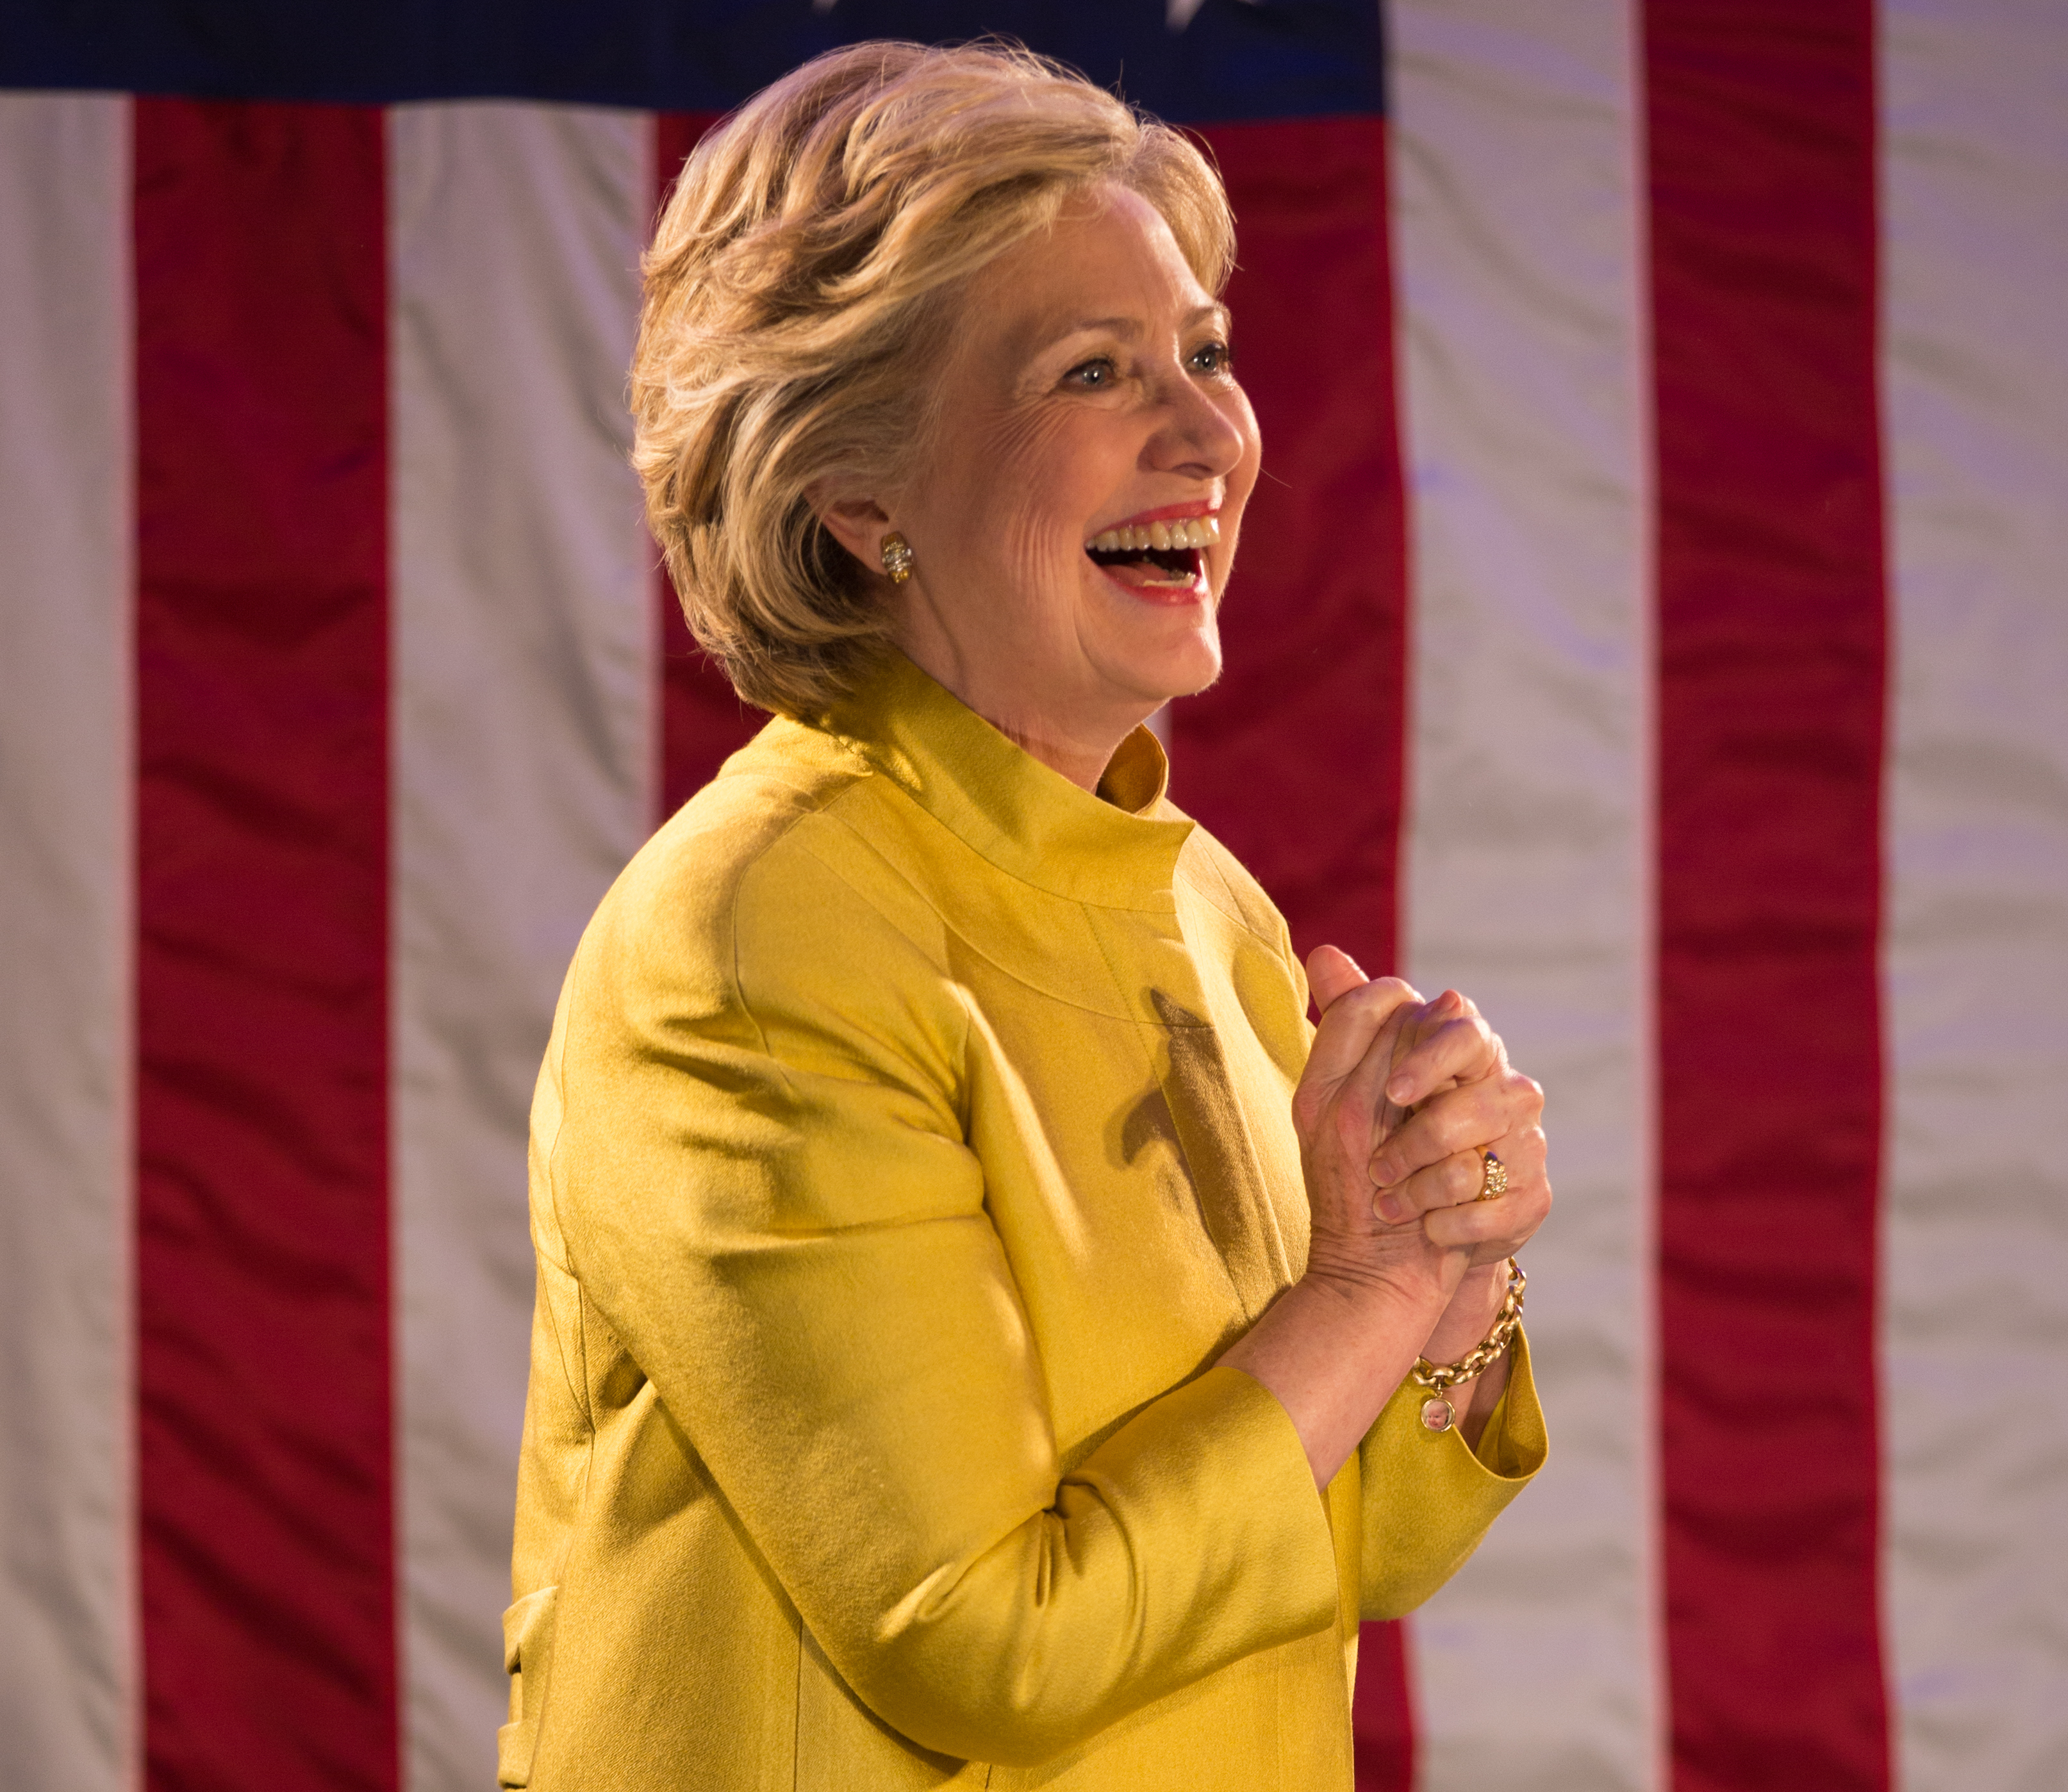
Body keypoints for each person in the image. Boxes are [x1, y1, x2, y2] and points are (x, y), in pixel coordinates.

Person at [502, 39, 1551, 1791]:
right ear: (863, 495)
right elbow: (983, 1634)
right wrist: (1366, 1292)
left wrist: (1446, 1280)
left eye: (1204, 354)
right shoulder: (757, 937)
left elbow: (1339, 1544)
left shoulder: (1209, 912)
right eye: (1093, 371)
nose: (1207, 435)